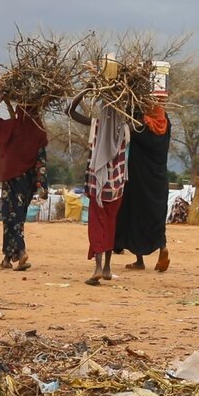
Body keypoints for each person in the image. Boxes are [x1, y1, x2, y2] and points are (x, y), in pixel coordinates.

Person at [0, 94, 48, 271]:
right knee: (15, 218)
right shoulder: (38, 133)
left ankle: (22, 251)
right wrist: (42, 186)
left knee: (12, 218)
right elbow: (41, 163)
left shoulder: (9, 128)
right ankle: (7, 258)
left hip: (11, 182)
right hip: (27, 185)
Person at [68, 90, 129, 285]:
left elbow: (70, 110)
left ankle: (98, 268)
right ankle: (108, 268)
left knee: (97, 224)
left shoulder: (97, 124)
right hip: (117, 186)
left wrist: (84, 91)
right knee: (110, 223)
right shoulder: (126, 127)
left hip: (97, 185)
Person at [114, 103, 172, 272]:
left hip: (139, 178)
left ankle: (139, 260)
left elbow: (125, 130)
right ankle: (163, 248)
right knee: (156, 215)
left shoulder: (139, 125)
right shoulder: (166, 122)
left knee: (136, 215)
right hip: (160, 178)